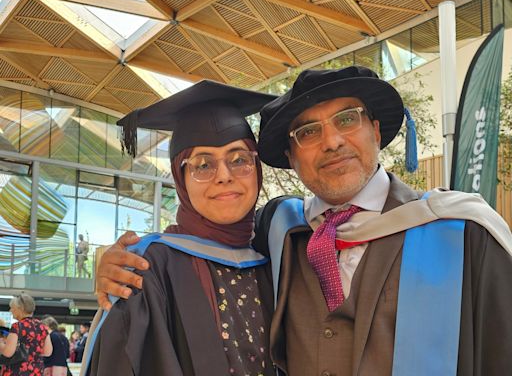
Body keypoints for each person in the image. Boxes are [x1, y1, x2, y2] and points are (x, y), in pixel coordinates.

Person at [96, 66, 512, 375]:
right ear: (292, 158)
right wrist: (112, 263)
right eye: (308, 132)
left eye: (347, 118)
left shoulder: (463, 234)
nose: (332, 141)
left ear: (376, 129)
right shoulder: (279, 230)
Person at [81, 80, 277, 376]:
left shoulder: (276, 250)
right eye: (202, 165)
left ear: (257, 169)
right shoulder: (145, 267)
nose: (224, 175)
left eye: (239, 159)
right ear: (179, 178)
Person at [0, 293, 53, 376]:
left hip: (17, 371)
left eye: (12, 308)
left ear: (20, 309)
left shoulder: (17, 326)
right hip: (36, 371)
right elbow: (47, 352)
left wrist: (1, 344)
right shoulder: (42, 327)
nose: (10, 311)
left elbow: (8, 352)